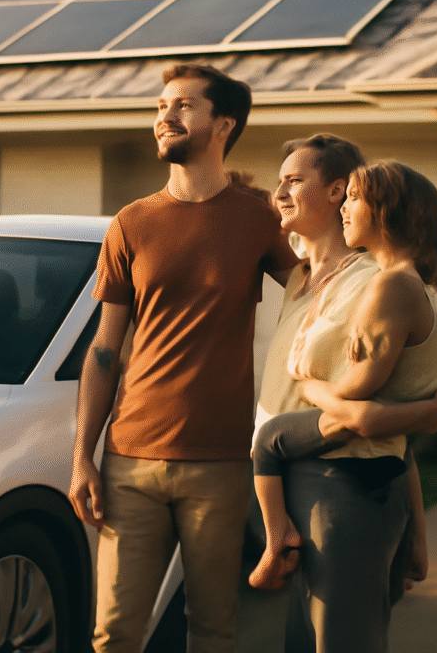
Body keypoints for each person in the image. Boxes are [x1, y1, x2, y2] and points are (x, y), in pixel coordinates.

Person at [67, 62, 300, 653]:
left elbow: (317, 286)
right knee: (113, 633)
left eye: (182, 106)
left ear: (223, 125)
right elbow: (102, 349)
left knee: (213, 631)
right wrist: (83, 457)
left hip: (220, 463)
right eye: (160, 106)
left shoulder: (258, 218)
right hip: (130, 461)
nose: (164, 116)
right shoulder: (131, 223)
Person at [252, 141, 437, 653]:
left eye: (294, 181)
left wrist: (417, 532)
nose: (281, 193)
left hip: (341, 486)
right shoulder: (297, 280)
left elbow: (376, 415)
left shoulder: (375, 284)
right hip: (298, 484)